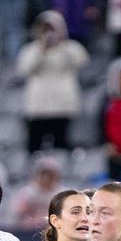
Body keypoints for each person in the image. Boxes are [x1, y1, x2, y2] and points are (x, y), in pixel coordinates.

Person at [18, 10, 89, 153]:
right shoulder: (31, 49)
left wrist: (62, 43)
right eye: (45, 29)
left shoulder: (70, 47)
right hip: (38, 108)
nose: (49, 33)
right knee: (35, 148)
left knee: (61, 147)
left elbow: (82, 61)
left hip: (62, 107)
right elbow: (25, 69)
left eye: (52, 28)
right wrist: (42, 50)